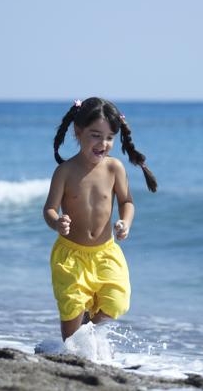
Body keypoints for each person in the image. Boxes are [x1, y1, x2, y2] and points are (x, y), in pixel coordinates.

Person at [43, 97, 157, 341]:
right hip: (71, 256)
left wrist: (125, 222)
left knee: (116, 300)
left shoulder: (114, 168)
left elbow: (127, 202)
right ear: (78, 131)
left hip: (105, 253)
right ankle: (71, 347)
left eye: (109, 138)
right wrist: (57, 222)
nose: (102, 144)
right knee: (72, 316)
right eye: (95, 135)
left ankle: (90, 337)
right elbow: (49, 209)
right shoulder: (65, 171)